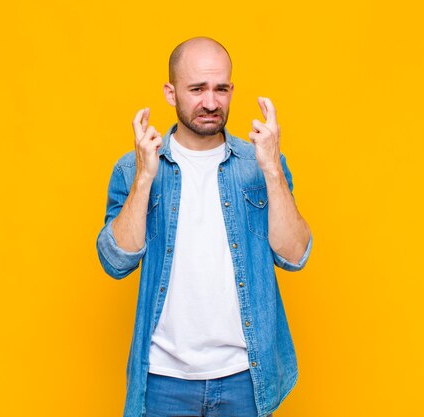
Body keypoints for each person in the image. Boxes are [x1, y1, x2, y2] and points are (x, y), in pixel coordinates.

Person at [95, 37, 312, 417]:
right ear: (170, 91)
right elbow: (115, 262)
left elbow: (295, 256)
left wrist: (273, 169)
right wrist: (146, 177)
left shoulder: (259, 163)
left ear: (231, 90)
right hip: (162, 380)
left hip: (246, 377)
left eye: (221, 89)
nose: (211, 103)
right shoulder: (133, 168)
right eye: (197, 89)